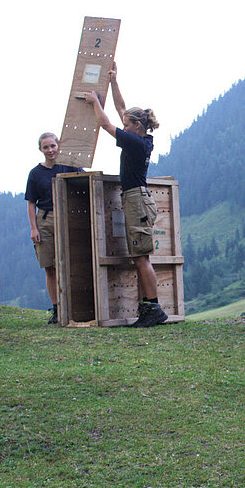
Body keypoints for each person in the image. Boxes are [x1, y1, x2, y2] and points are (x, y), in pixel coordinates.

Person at [82, 62, 169, 328]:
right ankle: (149, 307)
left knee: (141, 257)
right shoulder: (140, 137)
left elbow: (106, 123)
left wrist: (95, 101)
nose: (124, 126)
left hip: (136, 201)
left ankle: (153, 308)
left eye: (128, 124)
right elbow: (121, 110)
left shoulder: (135, 142)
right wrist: (113, 82)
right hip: (136, 200)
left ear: (137, 126)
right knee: (141, 256)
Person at [25, 132, 83, 324]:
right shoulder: (35, 174)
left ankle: (75, 306)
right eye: (46, 147)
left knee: (71, 264)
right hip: (45, 219)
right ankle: (57, 308)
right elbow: (31, 202)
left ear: (59, 146)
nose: (50, 150)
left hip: (68, 217)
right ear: (40, 149)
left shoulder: (69, 165)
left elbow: (85, 181)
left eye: (53, 146)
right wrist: (34, 229)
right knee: (49, 267)